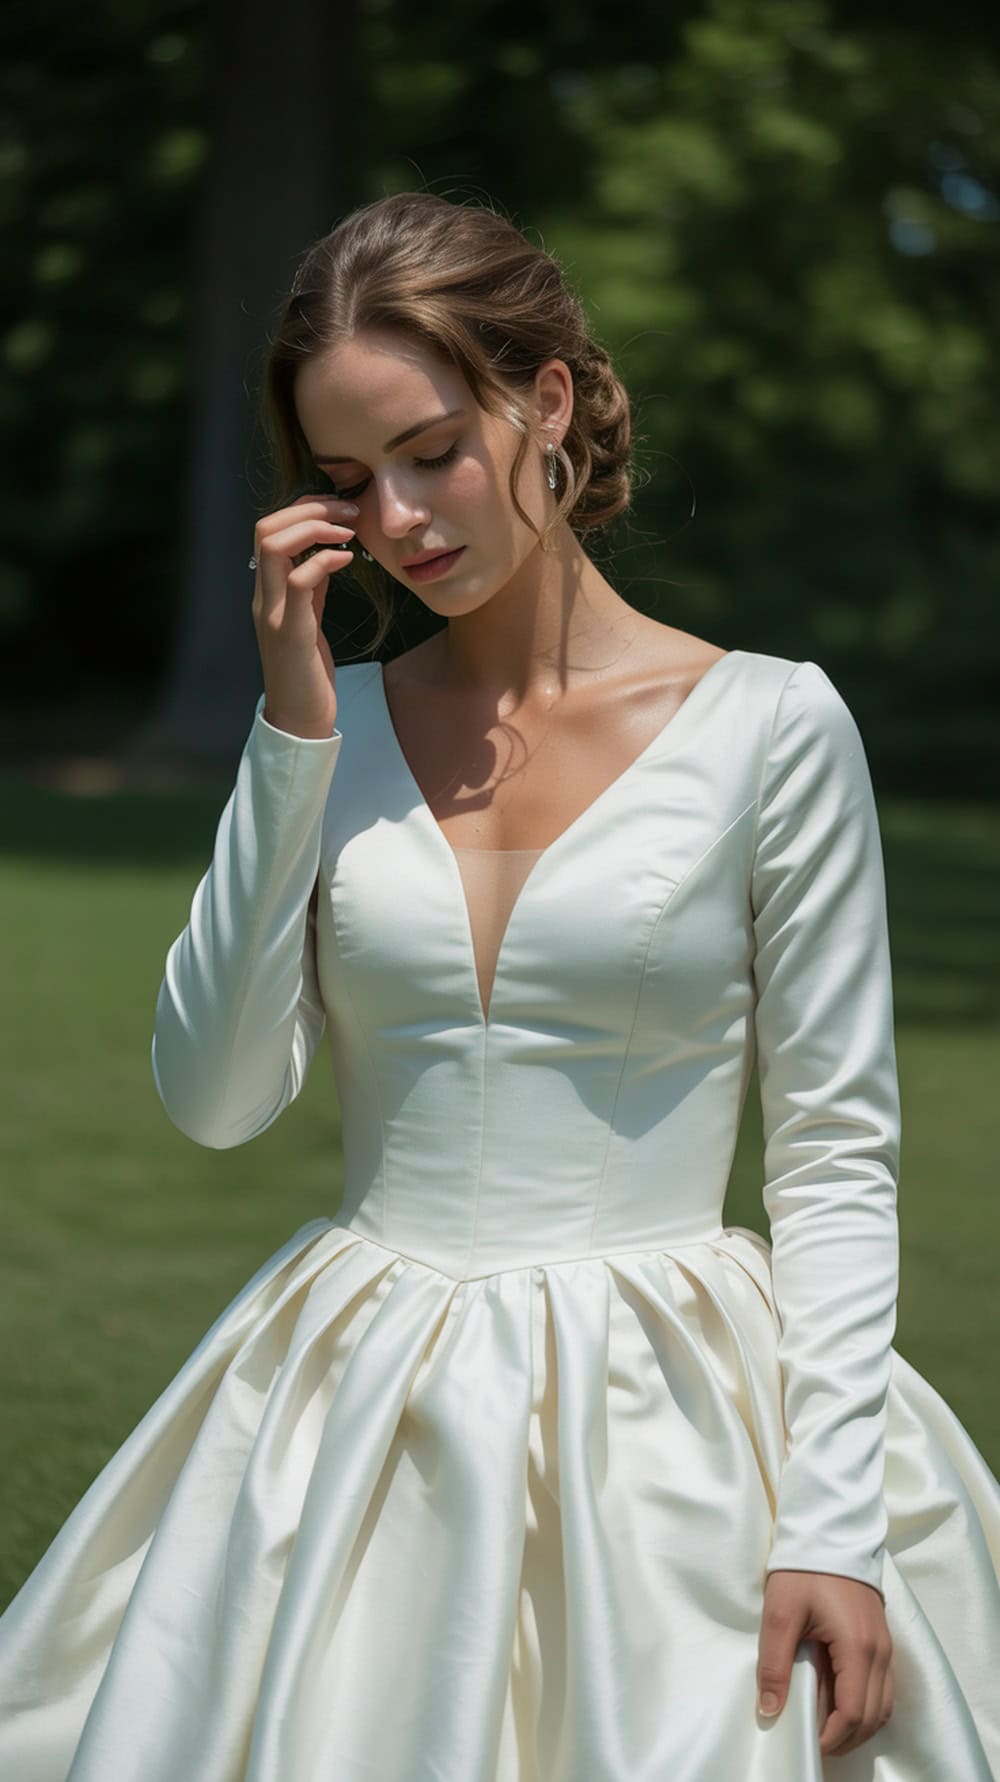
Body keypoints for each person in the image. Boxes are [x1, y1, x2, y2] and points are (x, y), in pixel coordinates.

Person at [0, 190, 997, 1781]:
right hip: (352, 1404)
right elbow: (214, 1097)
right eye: (343, 481)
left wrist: (832, 1521)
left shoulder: (772, 728)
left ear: (545, 401)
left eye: (428, 449)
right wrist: (290, 732)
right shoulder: (329, 740)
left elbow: (832, 1153)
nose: (394, 519)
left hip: (674, 1416)